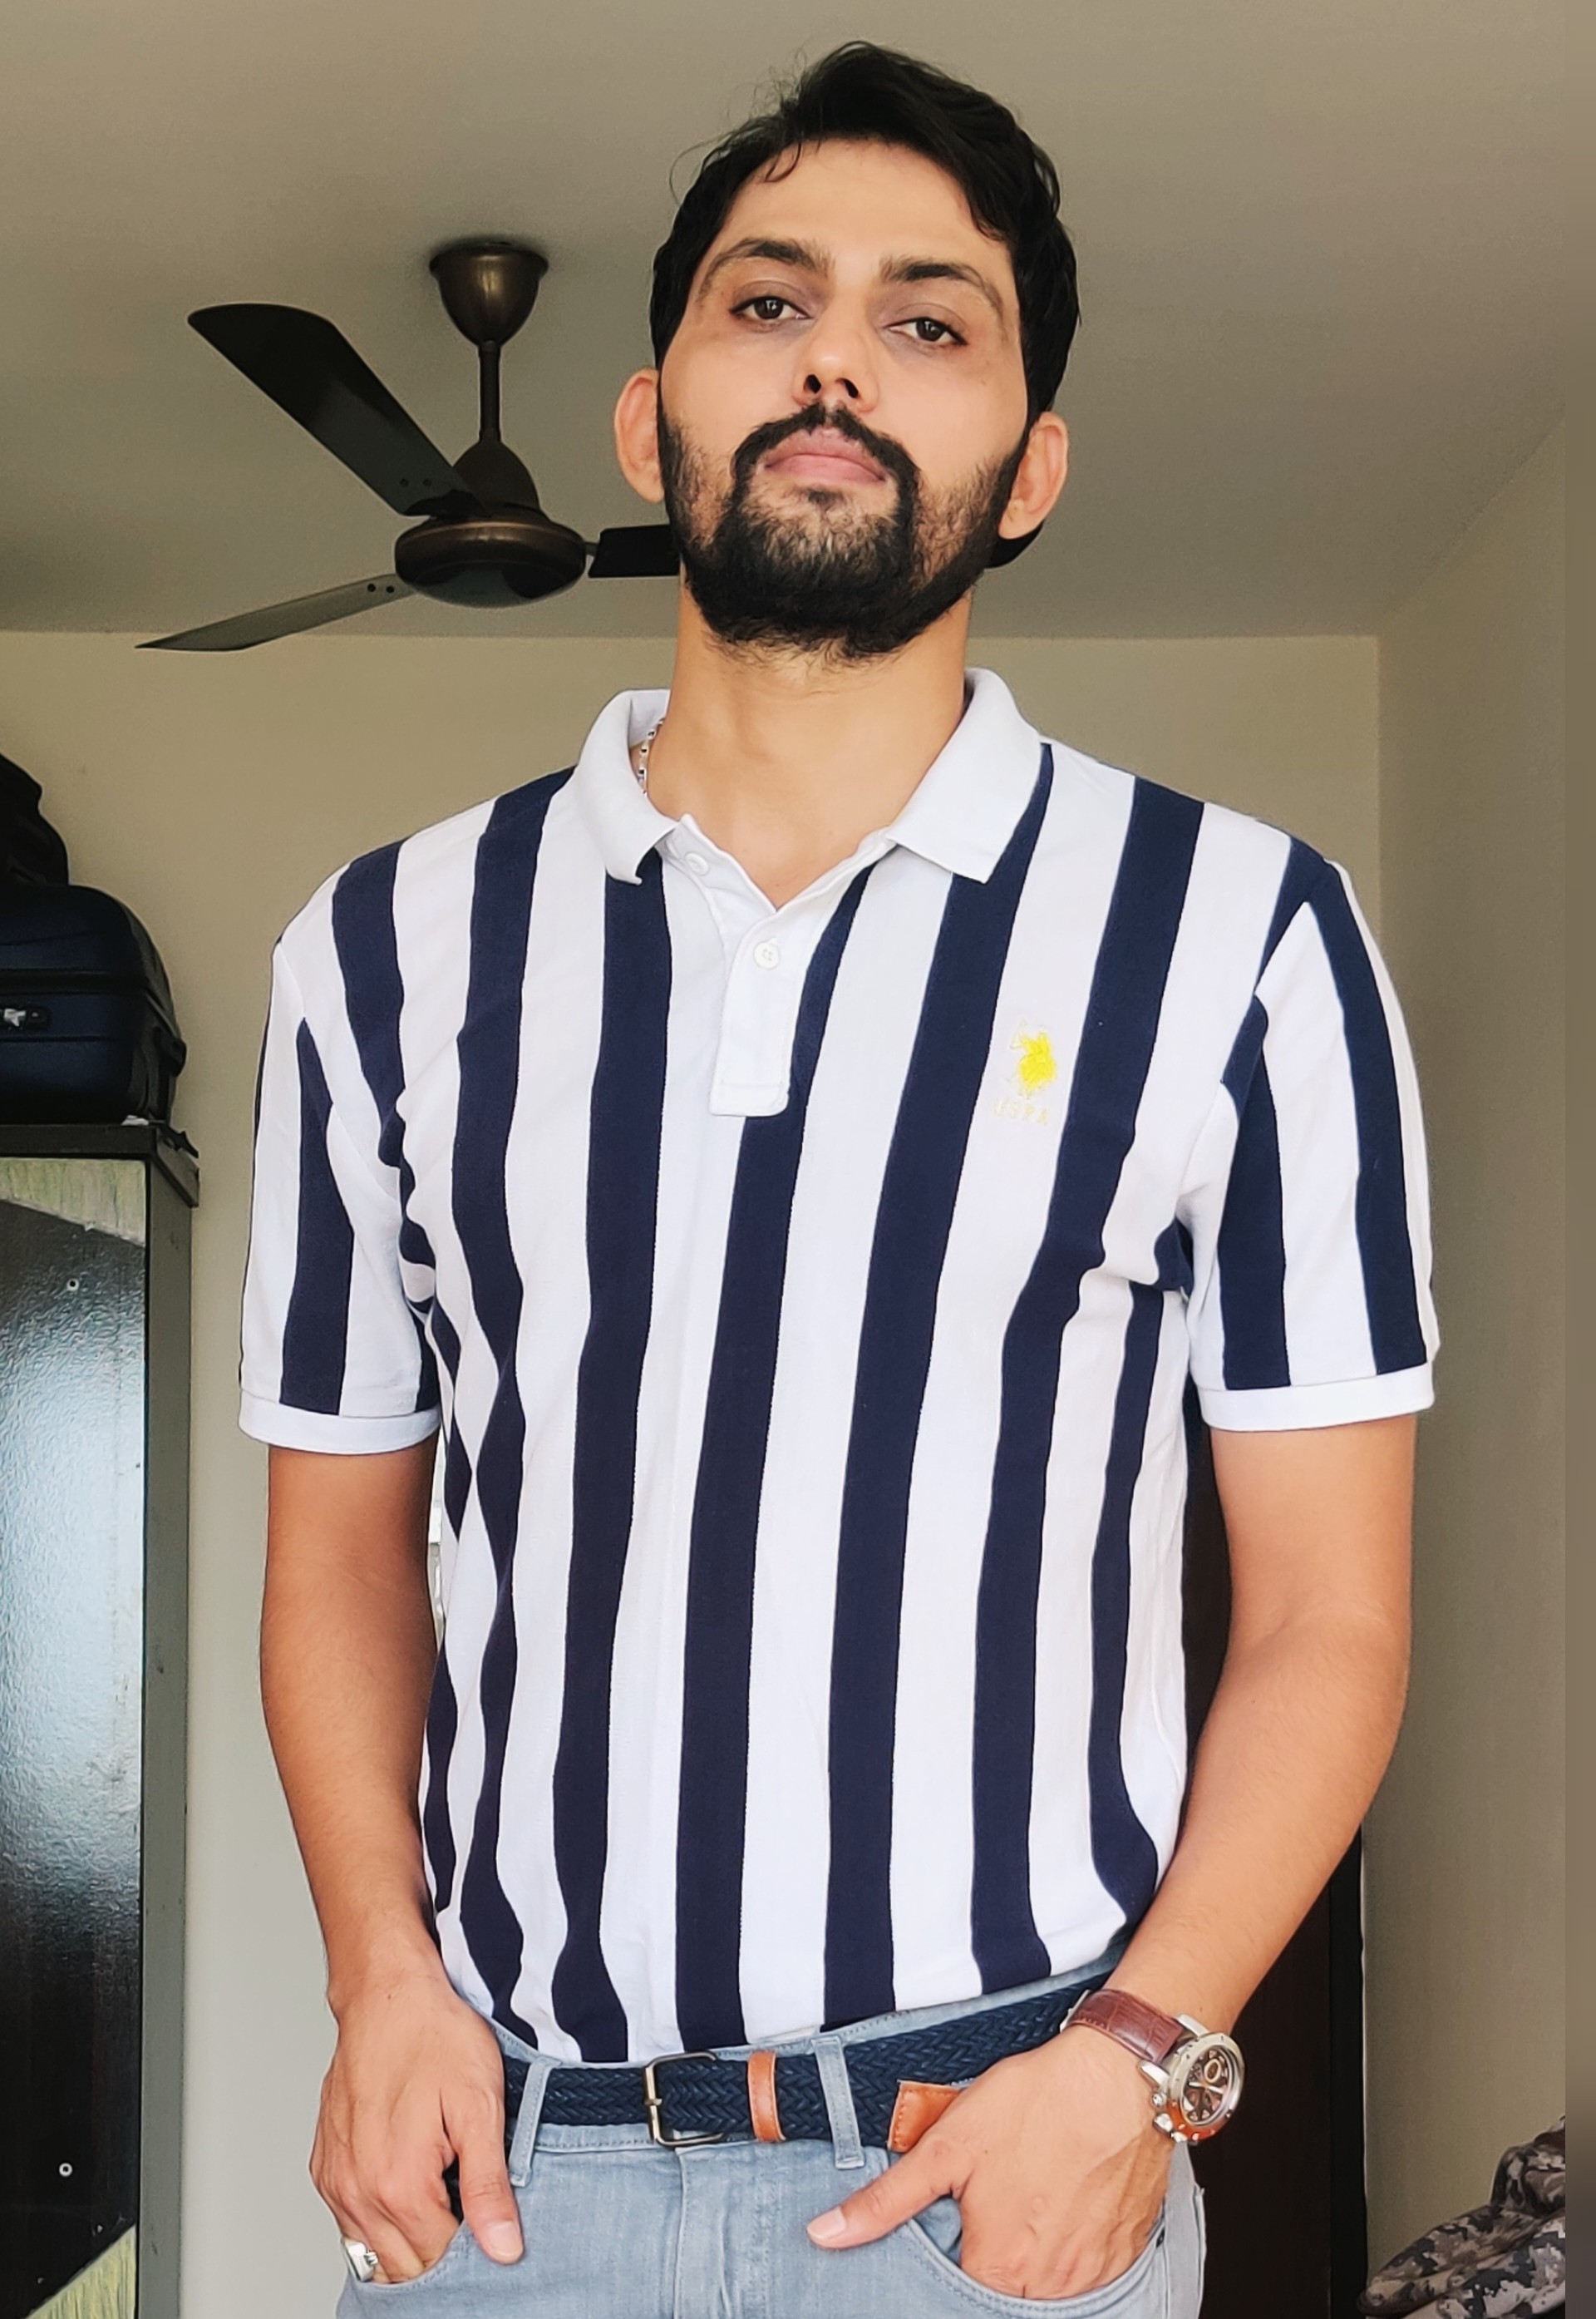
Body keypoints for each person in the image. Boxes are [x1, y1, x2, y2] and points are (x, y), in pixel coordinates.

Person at [243, 42, 1435, 2319]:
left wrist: (1143, 2055)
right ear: (648, 416)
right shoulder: (380, 953)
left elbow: (1328, 1618)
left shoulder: (1241, 937)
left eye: (928, 320)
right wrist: (377, 1976)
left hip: (995, 2181)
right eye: (768, 302)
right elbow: (338, 1553)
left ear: (1032, 464)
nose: (836, 365)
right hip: (508, 2181)